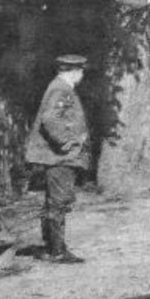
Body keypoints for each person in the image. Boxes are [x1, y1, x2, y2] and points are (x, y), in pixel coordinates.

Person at [23, 53, 92, 263]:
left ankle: (53, 246)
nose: (82, 75)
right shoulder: (61, 89)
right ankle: (57, 251)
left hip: (58, 157)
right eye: (80, 71)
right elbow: (50, 118)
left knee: (56, 201)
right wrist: (66, 141)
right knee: (58, 202)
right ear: (73, 71)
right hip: (59, 157)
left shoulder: (60, 88)